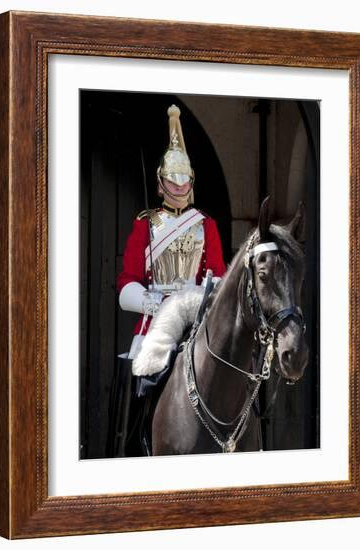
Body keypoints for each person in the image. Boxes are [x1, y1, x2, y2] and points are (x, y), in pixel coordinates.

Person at [111, 104, 226, 456]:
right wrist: (149, 301)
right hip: (155, 318)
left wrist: (202, 295)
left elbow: (219, 275)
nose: (179, 185)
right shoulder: (145, 224)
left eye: (184, 179)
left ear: (191, 181)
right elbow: (127, 281)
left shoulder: (205, 225)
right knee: (140, 383)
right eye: (172, 179)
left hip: (195, 314)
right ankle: (134, 444)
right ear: (161, 183)